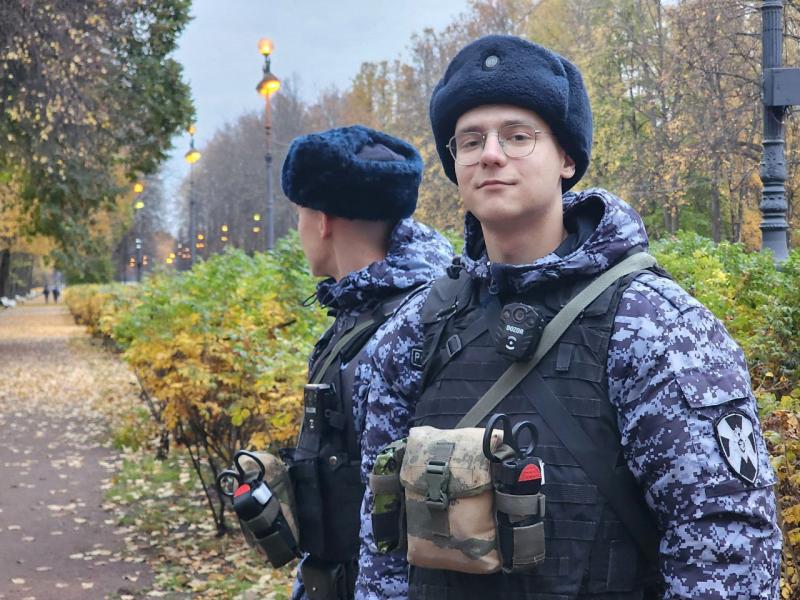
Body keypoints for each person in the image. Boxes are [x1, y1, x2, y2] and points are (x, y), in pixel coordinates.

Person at [357, 35, 781, 599]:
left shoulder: (655, 326)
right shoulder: (417, 329)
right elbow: (382, 541)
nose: (490, 154)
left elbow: (726, 545)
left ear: (567, 159)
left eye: (518, 136)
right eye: (471, 140)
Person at [241, 125, 452, 600]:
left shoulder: (403, 328)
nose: (299, 229)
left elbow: (389, 527)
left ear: (322, 221)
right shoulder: (367, 311)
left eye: (299, 215)